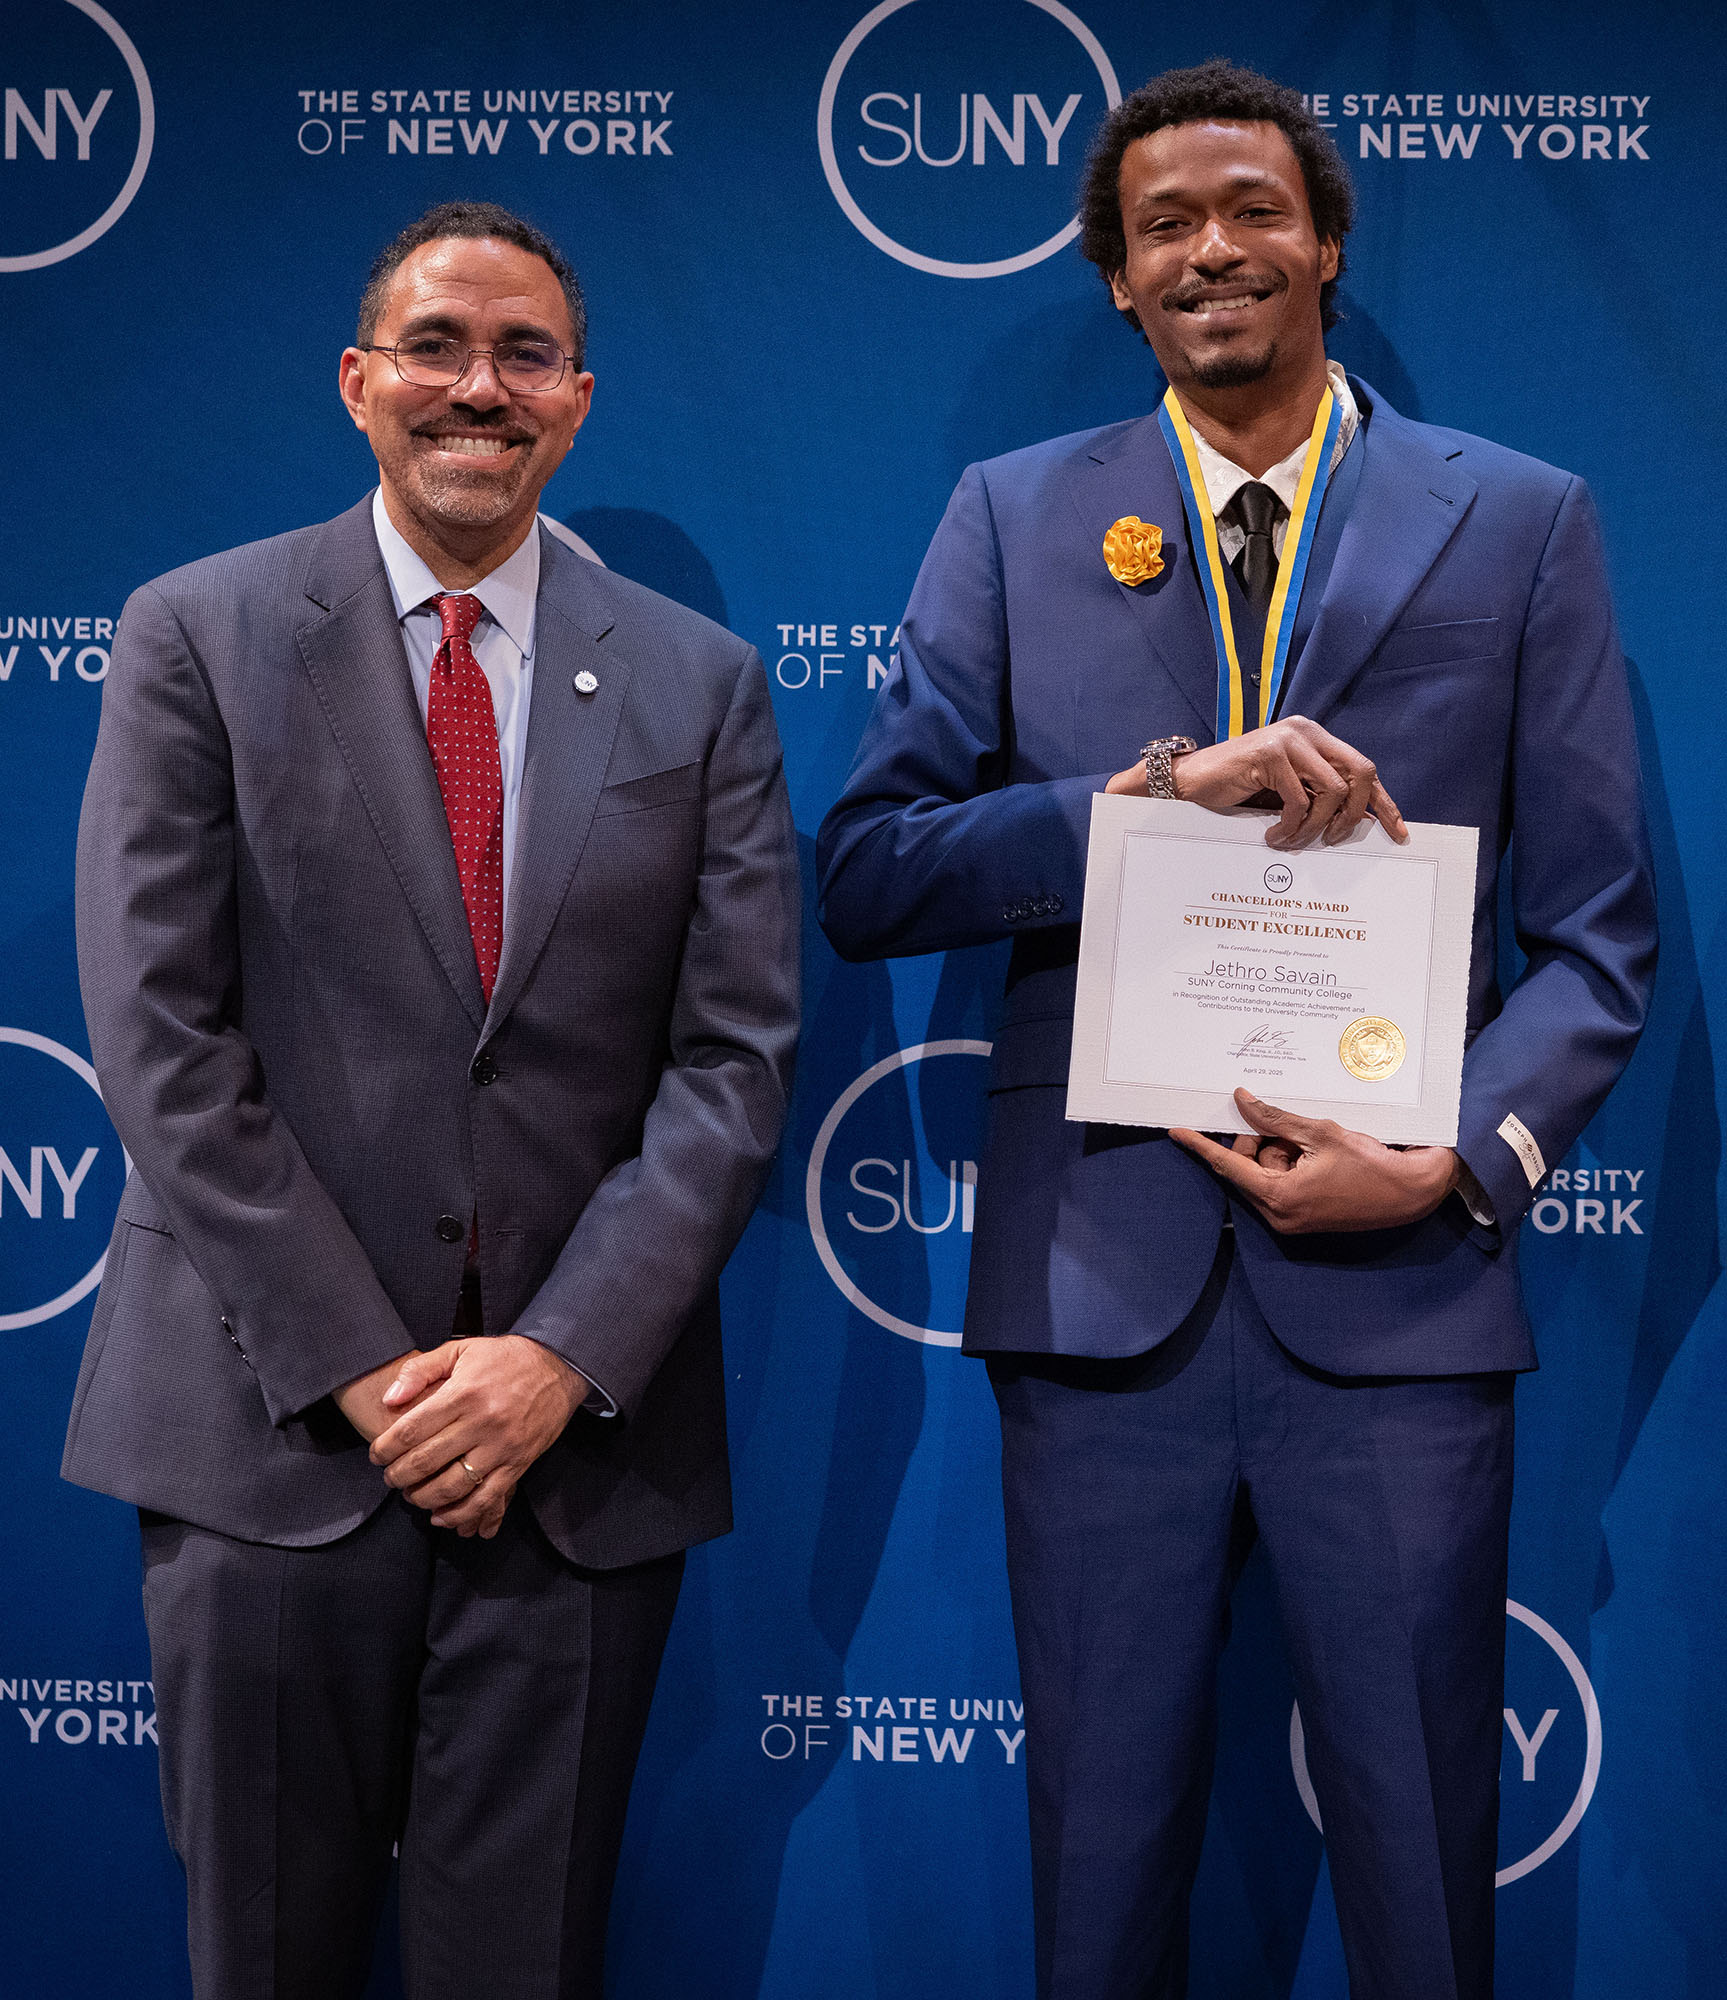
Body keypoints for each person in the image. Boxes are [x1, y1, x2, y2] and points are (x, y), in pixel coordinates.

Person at [817, 61, 1655, 2000]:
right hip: (1101, 1295)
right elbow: (869, 868)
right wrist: (1135, 811)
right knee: (1098, 1898)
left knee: (1430, 1900)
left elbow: (1604, 936)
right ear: (1120, 278)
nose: (1213, 250)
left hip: (1405, 1300)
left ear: (1328, 245)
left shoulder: (1523, 522)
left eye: (1253, 211)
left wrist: (1454, 1158)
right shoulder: (1015, 520)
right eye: (1167, 224)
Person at [64, 199, 800, 1999]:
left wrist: (553, 1361)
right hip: (274, 1437)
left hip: (574, 1467)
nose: (481, 388)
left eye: (525, 355)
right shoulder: (199, 633)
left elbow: (732, 1062)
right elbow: (161, 1032)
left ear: (579, 399)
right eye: (440, 349)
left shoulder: (701, 687)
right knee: (270, 1963)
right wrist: (367, 1369)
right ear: (360, 382)